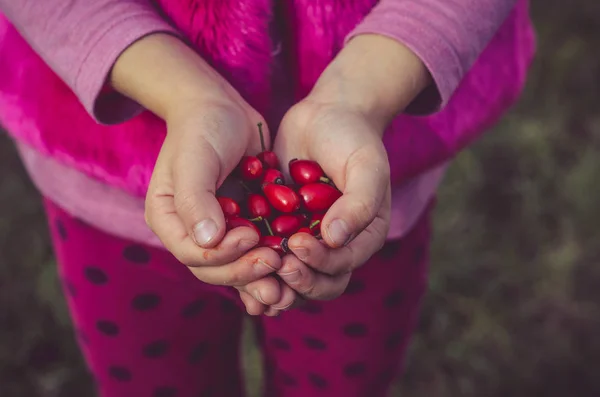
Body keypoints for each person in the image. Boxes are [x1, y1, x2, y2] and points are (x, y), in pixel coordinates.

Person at [0, 1, 536, 396]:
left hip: (367, 184)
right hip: (114, 195)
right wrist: (183, 94)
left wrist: (366, 90)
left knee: (342, 381)